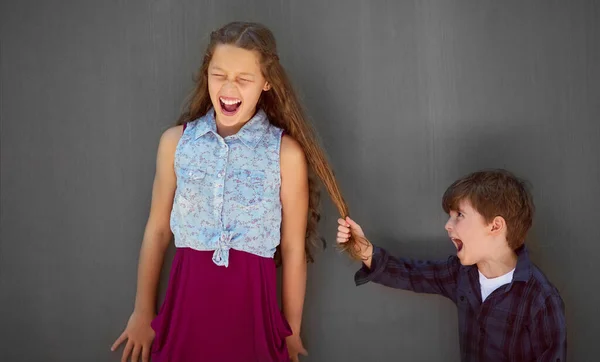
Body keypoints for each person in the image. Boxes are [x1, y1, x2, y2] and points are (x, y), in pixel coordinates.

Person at [111, 21, 357, 362]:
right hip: (185, 314)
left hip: (254, 321)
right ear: (206, 74)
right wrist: (142, 312)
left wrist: (293, 329)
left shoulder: (285, 154)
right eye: (219, 74)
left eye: (244, 79)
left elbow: (292, 247)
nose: (229, 87)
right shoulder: (175, 144)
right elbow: (156, 231)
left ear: (267, 83)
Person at [336, 169, 567, 361]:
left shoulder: (541, 299)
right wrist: (365, 251)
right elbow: (412, 275)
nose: (448, 225)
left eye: (459, 215)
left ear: (495, 226)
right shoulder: (460, 274)